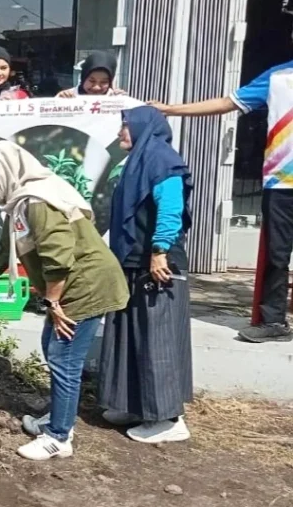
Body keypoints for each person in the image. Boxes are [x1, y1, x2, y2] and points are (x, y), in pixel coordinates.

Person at [0, 142, 128, 461]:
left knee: (64, 358)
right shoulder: (19, 202)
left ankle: (59, 438)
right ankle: (59, 419)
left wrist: (52, 301)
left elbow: (58, 252)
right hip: (72, 286)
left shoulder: (38, 199)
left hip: (85, 285)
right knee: (53, 347)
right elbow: (2, 250)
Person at [153, 60, 293, 343]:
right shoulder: (278, 76)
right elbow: (226, 103)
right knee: (277, 255)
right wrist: (170, 109)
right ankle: (274, 321)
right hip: (282, 180)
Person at [98, 106, 194, 444]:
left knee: (157, 339)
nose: (120, 133)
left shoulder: (161, 160)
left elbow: (171, 208)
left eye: (124, 127)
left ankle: (168, 419)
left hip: (157, 264)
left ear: (141, 127)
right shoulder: (141, 159)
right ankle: (136, 405)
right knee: (130, 335)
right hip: (135, 263)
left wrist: (159, 251)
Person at [56, 51, 128, 98]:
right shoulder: (67, 96)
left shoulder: (115, 98)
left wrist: (126, 105)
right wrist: (57, 103)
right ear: (83, 78)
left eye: (104, 82)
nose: (96, 87)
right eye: (92, 81)